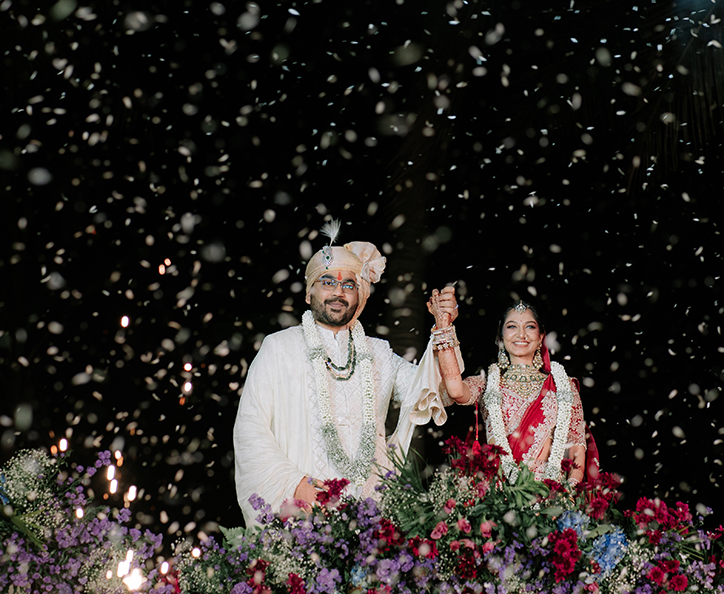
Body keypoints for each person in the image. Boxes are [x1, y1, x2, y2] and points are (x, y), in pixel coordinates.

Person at [232, 222, 463, 526]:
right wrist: (294, 485)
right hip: (303, 513)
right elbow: (250, 430)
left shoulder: (379, 353)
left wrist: (444, 328)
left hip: (368, 520)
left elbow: (440, 391)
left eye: (349, 285)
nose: (338, 292)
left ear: (359, 296)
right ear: (308, 293)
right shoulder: (279, 348)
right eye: (327, 282)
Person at [432, 298, 594, 484]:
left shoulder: (562, 385)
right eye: (512, 326)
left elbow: (576, 448)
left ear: (541, 336)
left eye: (530, 327)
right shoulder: (487, 383)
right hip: (497, 497)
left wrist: (566, 495)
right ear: (500, 337)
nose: (521, 334)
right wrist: (443, 325)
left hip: (549, 497)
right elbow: (454, 390)